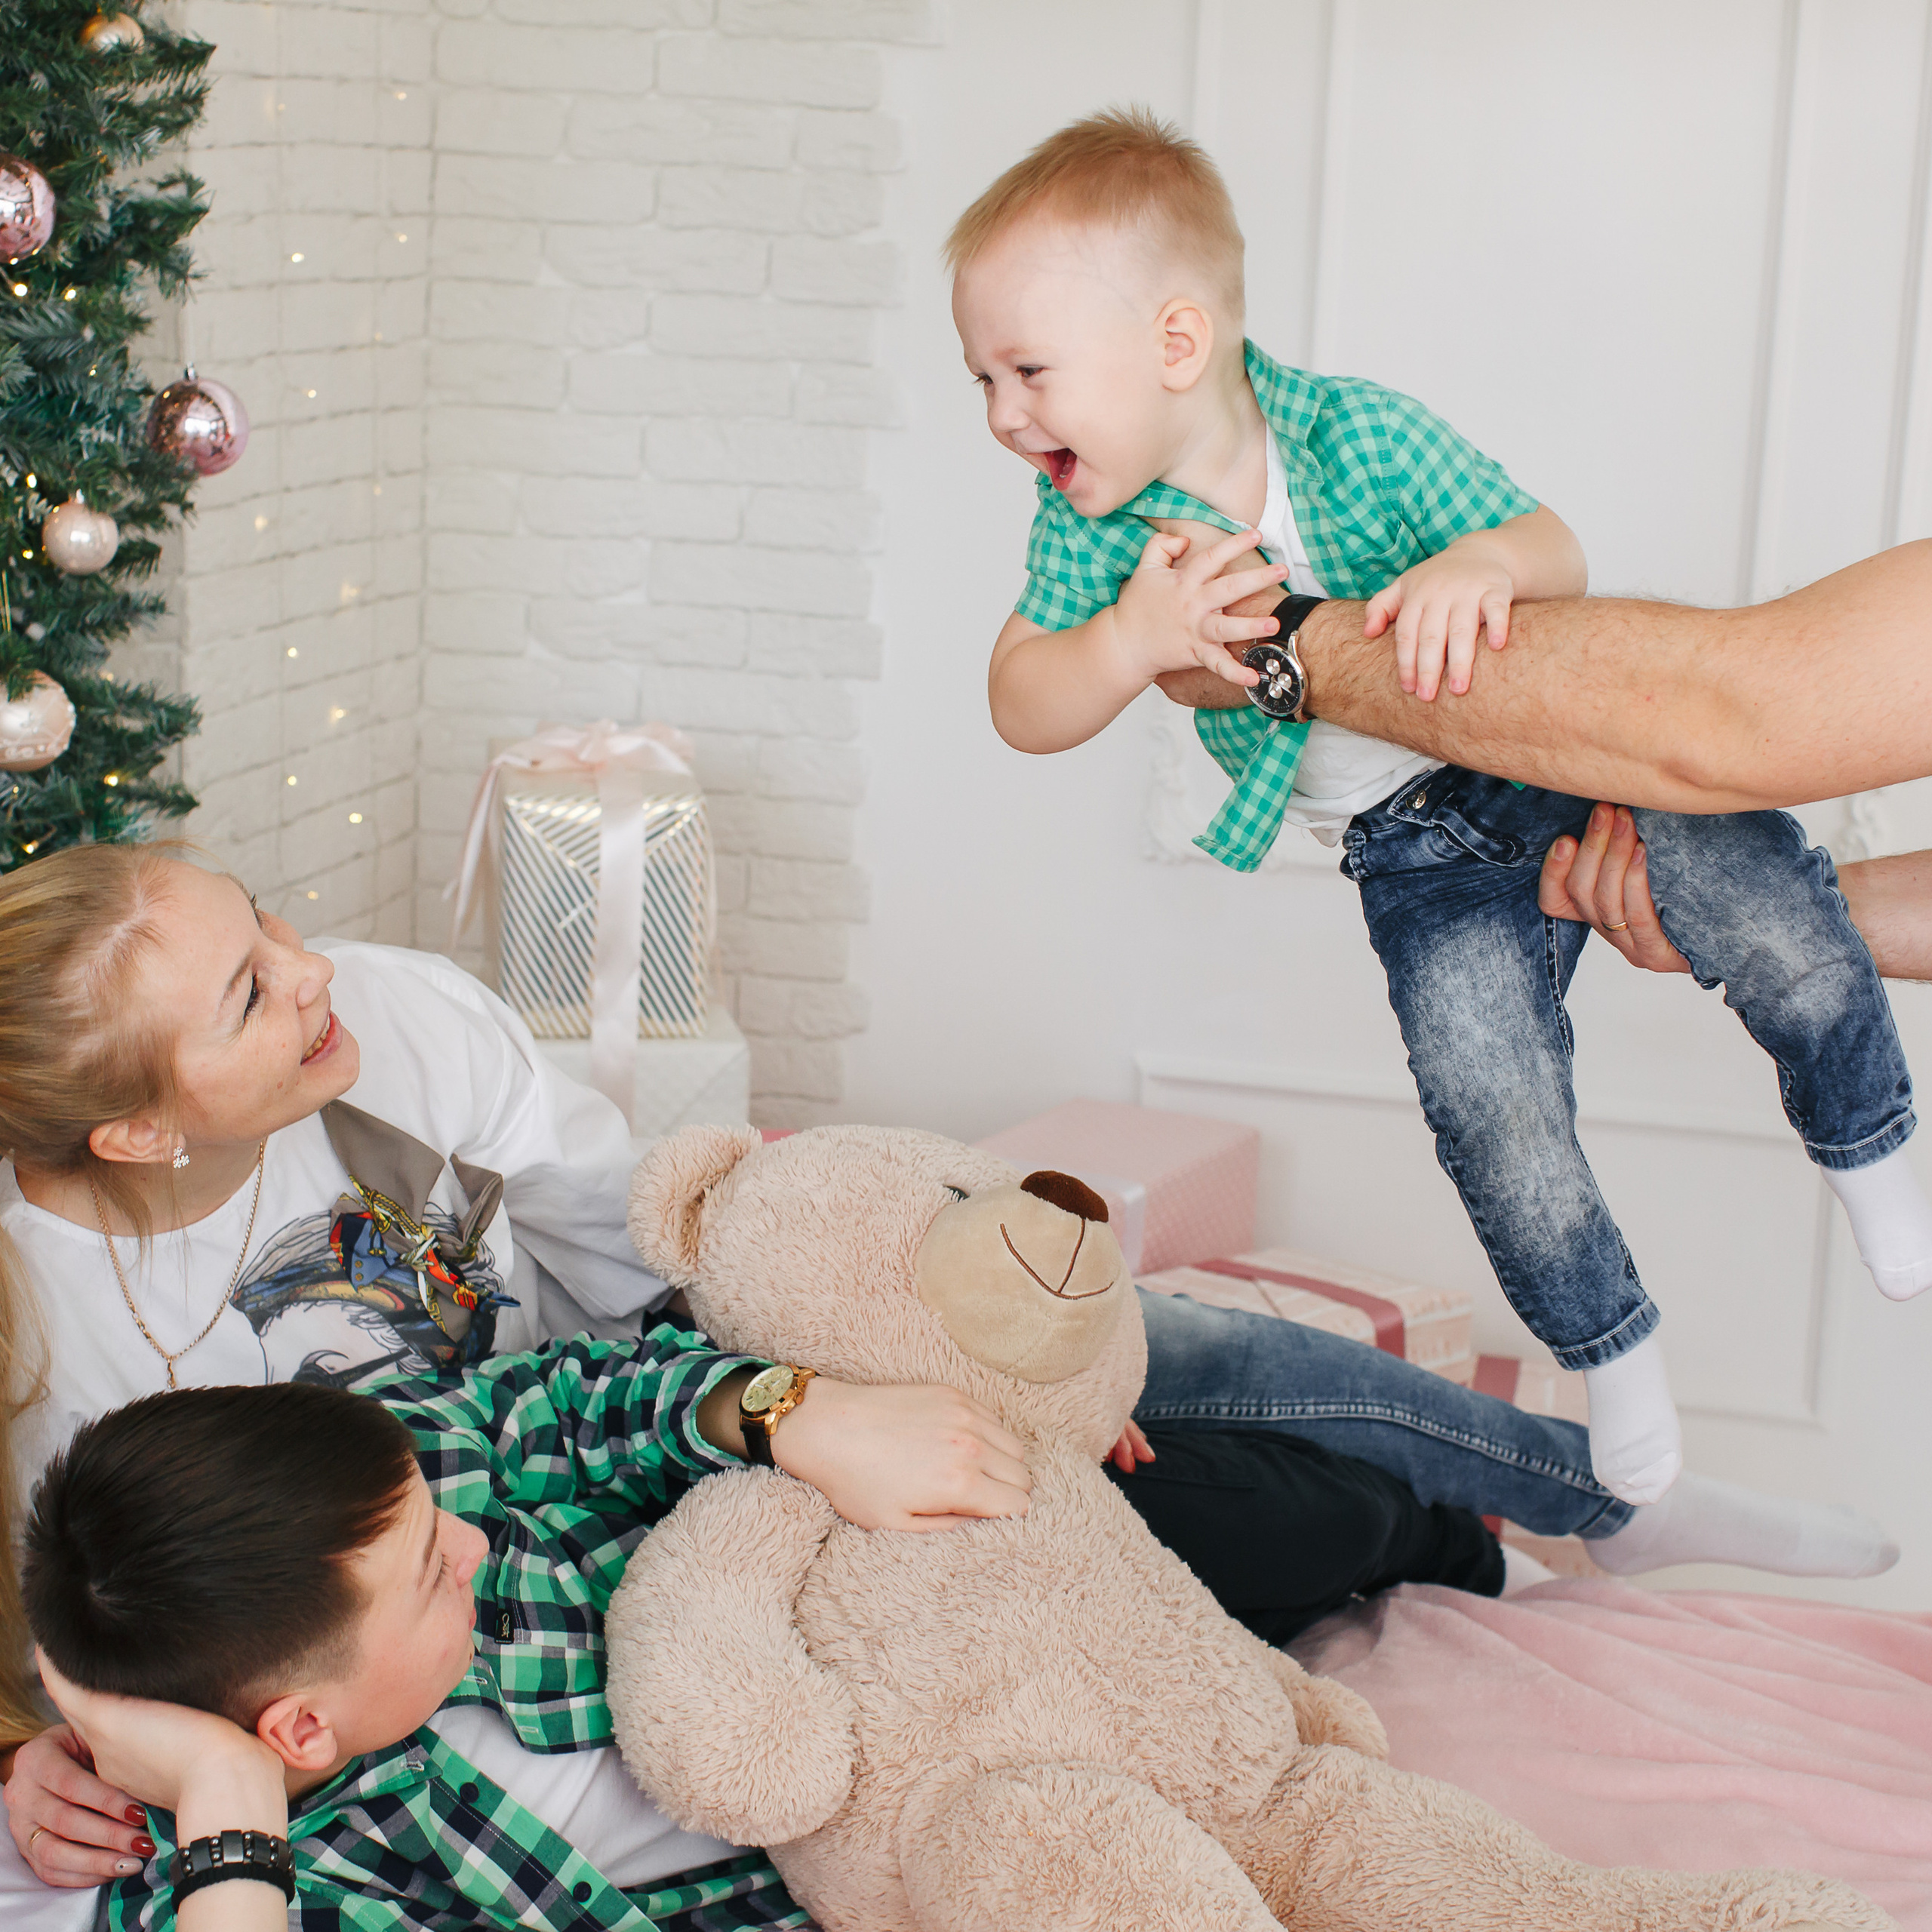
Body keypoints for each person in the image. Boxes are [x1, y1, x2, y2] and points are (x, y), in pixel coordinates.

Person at [0, 843, 1896, 1914]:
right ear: (143, 1129)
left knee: (1122, 1362)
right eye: (250, 991)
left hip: (666, 1413)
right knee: (1248, 1520)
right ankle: (1450, 1534)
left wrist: (817, 1391)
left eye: (264, 923)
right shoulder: (56, 1349)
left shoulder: (391, 1049)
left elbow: (621, 1280)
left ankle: (1594, 1500)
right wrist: (78, 1749)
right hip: (636, 1549)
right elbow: (84, 1616)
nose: (313, 968)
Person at [951, 105, 1932, 1505]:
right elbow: (1020, 699)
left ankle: (1870, 1146)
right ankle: (1612, 1347)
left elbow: (1552, 550)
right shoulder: (1092, 530)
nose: (1003, 416)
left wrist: (1485, 566)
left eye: (1029, 371)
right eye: (982, 380)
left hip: (1559, 762)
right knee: (1490, 1109)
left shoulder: (1357, 432)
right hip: (1416, 856)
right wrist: (1126, 642)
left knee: (1770, 902)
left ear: (1174, 343)